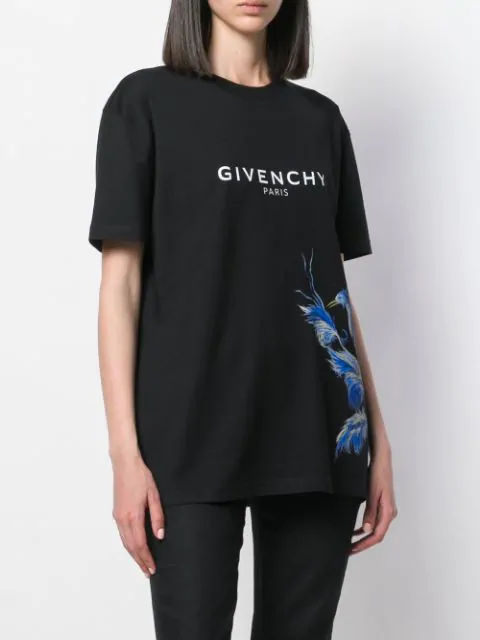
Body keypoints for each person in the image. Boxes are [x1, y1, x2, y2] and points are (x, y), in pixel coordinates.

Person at [88, 1, 397, 638]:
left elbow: (333, 294)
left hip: (320, 431)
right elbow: (120, 287)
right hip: (190, 432)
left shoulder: (319, 121)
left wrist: (378, 440)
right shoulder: (145, 103)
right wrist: (124, 454)